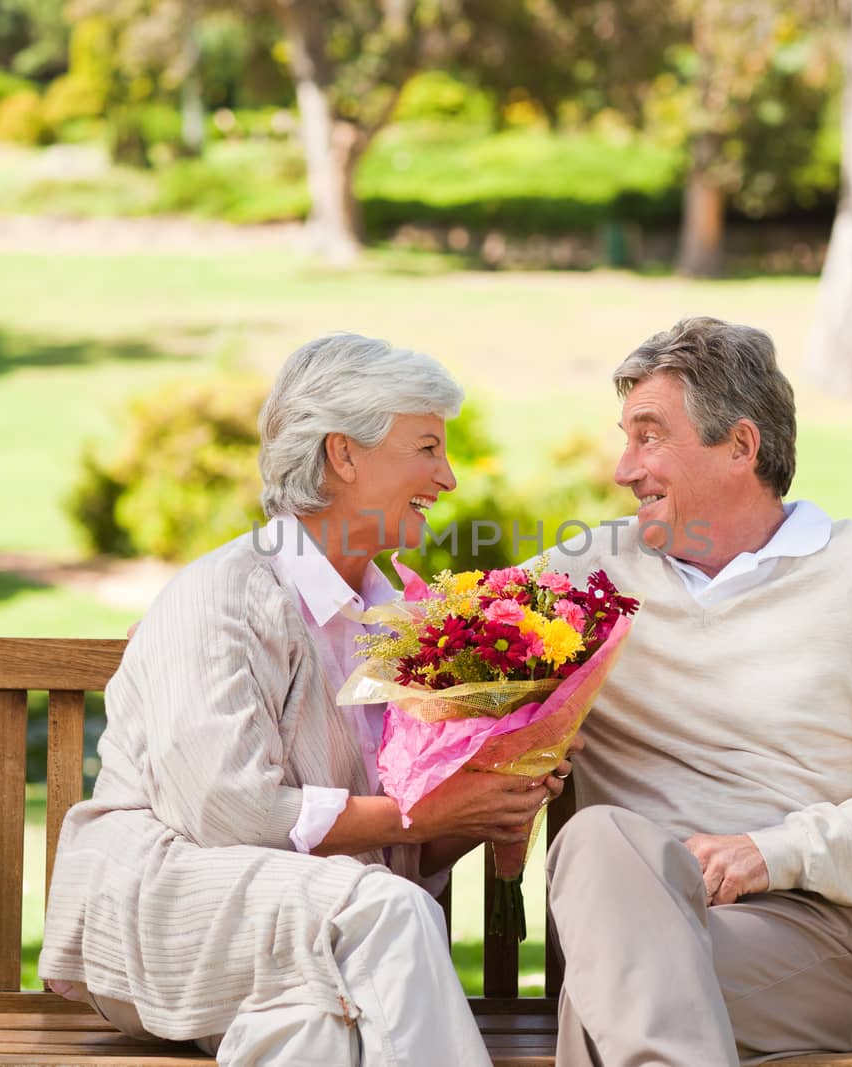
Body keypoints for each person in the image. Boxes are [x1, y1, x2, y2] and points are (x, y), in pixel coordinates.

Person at [39, 332, 563, 1066]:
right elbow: (230, 812)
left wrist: (490, 800)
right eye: (426, 449)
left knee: (319, 1037)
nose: (447, 478)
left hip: (308, 929)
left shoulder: (393, 625)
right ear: (342, 454)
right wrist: (425, 812)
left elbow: (389, 834)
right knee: (390, 907)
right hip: (171, 909)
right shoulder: (220, 595)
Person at [541, 317, 852, 1066]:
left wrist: (775, 852)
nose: (624, 468)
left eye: (649, 436)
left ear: (741, 446)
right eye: (626, 438)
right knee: (594, 841)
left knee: (610, 995)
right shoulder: (587, 579)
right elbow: (444, 646)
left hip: (812, 931)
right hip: (626, 916)